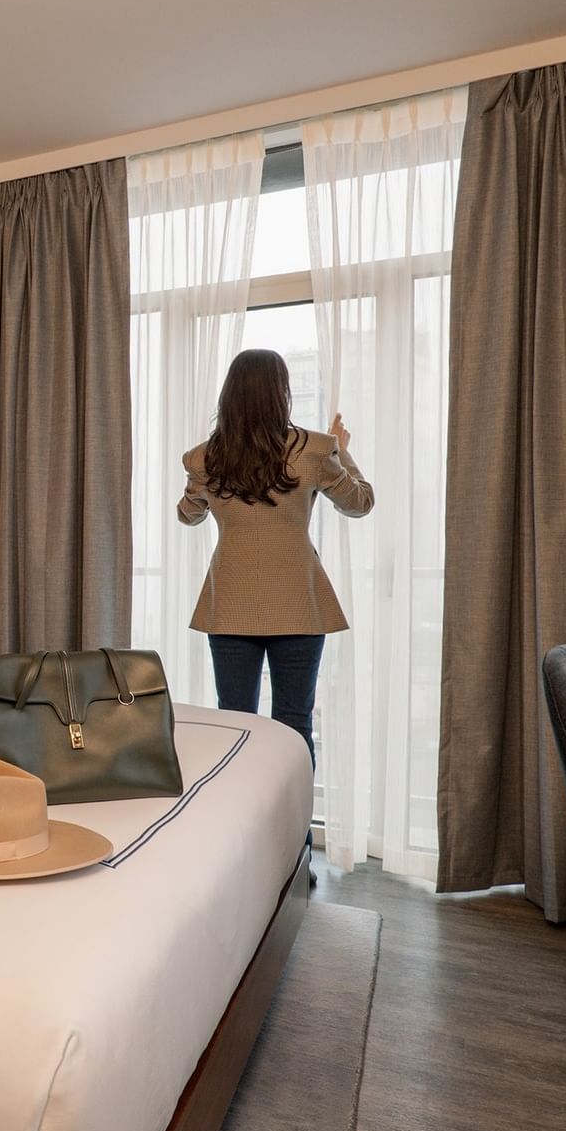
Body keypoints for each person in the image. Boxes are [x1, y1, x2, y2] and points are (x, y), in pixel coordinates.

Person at [178, 349, 373, 884]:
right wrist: (346, 454)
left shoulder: (204, 458)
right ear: (281, 391)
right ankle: (294, 853)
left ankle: (239, 847)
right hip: (298, 605)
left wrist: (198, 494)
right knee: (294, 726)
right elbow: (359, 503)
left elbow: (188, 516)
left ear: (229, 394)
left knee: (235, 724)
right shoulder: (315, 450)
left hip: (230, 605)